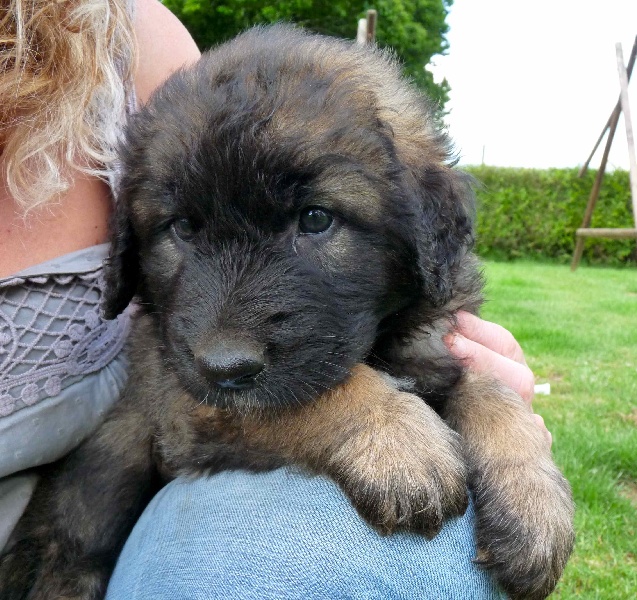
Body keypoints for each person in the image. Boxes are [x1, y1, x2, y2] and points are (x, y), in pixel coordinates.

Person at [0, 0, 546, 596]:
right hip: (63, 558)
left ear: (420, 224)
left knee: (418, 543)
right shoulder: (174, 142)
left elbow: (449, 366)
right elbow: (185, 422)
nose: (225, 343)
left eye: (314, 220)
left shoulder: (134, 45)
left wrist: (507, 436)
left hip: (169, 547)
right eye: (184, 229)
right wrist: (347, 419)